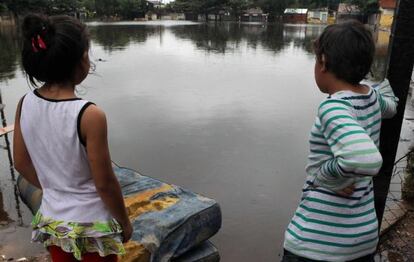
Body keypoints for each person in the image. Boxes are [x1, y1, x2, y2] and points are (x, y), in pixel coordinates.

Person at [13, 14, 133, 261]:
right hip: (93, 227)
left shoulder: (25, 103)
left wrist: (56, 187)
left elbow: (21, 163)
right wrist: (124, 222)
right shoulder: (90, 115)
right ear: (81, 61)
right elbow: (105, 183)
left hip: (54, 222)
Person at [282, 21, 399, 262]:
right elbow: (392, 106)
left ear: (323, 62)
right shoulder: (372, 98)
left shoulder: (333, 107)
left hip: (315, 242)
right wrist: (380, 85)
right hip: (361, 239)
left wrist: (326, 174)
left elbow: (366, 160)